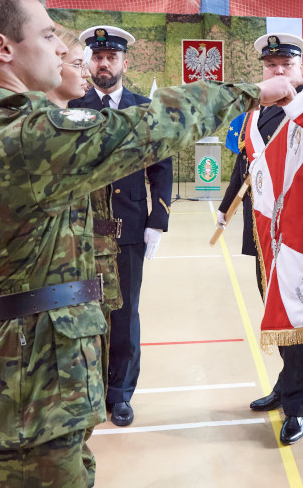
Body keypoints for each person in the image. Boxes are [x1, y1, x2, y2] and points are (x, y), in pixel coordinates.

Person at [0, 0, 302, 487]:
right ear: (2, 48)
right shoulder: (26, 137)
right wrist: (253, 92)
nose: (62, 49)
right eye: (48, 35)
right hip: (29, 390)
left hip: (12, 376)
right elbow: (153, 127)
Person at [217, 32, 303, 446]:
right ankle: (285, 386)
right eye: (271, 65)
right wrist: (225, 208)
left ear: (301, 68)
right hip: (262, 233)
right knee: (277, 315)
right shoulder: (254, 113)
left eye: (287, 65)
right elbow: (245, 165)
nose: (278, 71)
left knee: (302, 321)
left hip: (300, 237)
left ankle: (298, 405)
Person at [67, 25, 174, 428]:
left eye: (111, 57)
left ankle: (121, 393)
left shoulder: (142, 108)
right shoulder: (72, 107)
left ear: (125, 63)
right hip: (80, 232)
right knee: (83, 313)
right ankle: (90, 389)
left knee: (125, 314)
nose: (104, 63)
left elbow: (161, 165)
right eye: (97, 57)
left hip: (128, 228)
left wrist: (157, 220)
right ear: (89, 63)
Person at [45, 29, 122, 480]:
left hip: (99, 261)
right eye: (77, 62)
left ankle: (112, 400)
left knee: (110, 334)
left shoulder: (65, 120)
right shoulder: (48, 129)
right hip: (57, 294)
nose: (88, 70)